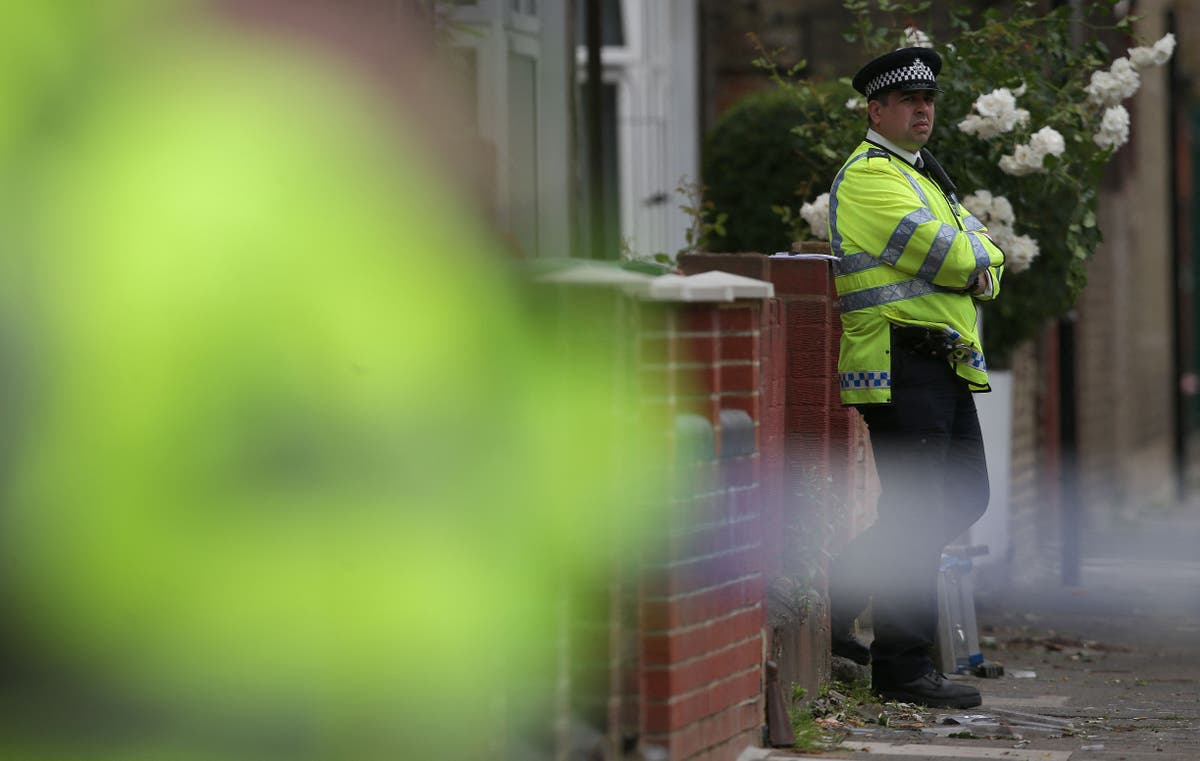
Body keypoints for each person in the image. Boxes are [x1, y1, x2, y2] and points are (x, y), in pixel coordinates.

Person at [824, 46, 1006, 709]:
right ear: (877, 110)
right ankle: (901, 666)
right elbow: (954, 256)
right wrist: (975, 261)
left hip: (942, 362)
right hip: (900, 361)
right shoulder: (873, 177)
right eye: (908, 101)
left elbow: (991, 254)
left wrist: (979, 260)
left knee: (964, 497)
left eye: (928, 100)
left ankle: (841, 587)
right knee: (918, 509)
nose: (923, 110)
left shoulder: (926, 176)